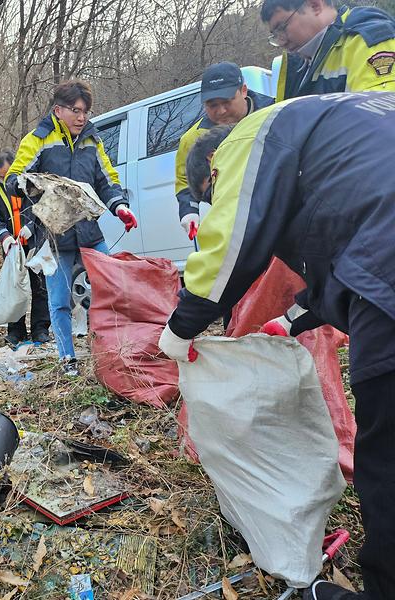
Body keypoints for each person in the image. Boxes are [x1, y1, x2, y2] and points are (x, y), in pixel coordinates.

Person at [157, 91, 395, 600]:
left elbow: (232, 242)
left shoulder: (250, 139)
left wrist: (182, 326)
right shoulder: (338, 122)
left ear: (214, 171)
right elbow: (336, 245)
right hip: (380, 246)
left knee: (387, 447)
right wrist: (292, 320)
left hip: (388, 262)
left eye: (210, 194)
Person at [5, 79, 137, 376]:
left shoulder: (93, 140)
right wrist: (32, 184)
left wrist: (120, 207)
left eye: (86, 112)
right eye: (76, 111)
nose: (81, 117)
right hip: (53, 234)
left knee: (111, 289)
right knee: (60, 300)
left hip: (90, 231)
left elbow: (107, 179)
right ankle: (68, 360)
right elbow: (13, 179)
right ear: (58, 110)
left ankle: (111, 353)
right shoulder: (38, 139)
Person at [175, 62, 273, 237]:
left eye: (227, 102)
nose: (221, 111)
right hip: (233, 221)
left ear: (243, 90)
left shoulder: (274, 113)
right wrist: (189, 211)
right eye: (212, 105)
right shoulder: (194, 138)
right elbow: (185, 180)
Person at [261, 0, 395, 101]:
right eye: (275, 36)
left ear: (315, 6)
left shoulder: (368, 40)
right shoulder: (298, 65)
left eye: (282, 28)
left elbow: (381, 117)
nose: (281, 41)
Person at [0, 150, 51, 345]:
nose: (4, 179)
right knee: (14, 288)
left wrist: (32, 226)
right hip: (12, 246)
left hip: (34, 241)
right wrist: (4, 236)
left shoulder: (31, 178)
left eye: (6, 174)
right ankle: (16, 331)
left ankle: (40, 329)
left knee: (39, 287)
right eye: (0, 176)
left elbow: (44, 206)